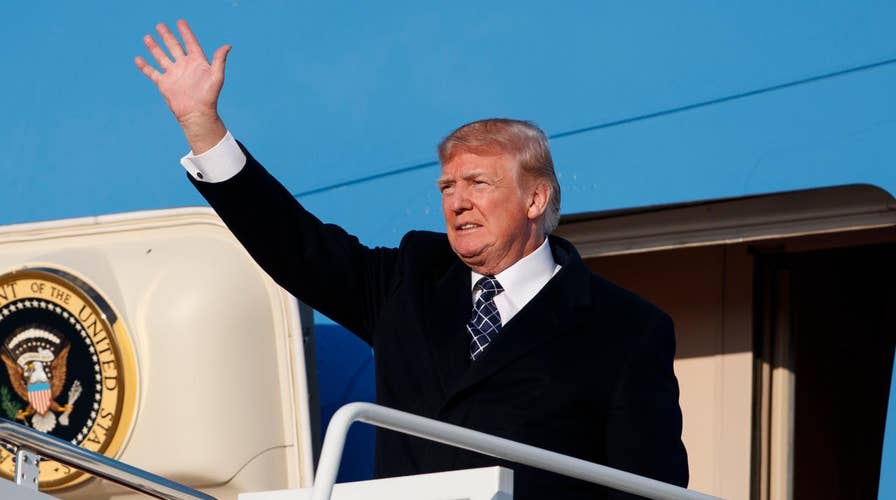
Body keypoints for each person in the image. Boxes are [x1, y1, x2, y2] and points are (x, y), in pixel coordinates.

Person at [136, 20, 689, 499]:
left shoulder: (626, 330)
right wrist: (203, 128)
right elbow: (295, 245)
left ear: (535, 199)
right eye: (447, 186)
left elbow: (651, 487)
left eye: (478, 183)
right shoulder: (411, 279)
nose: (457, 202)